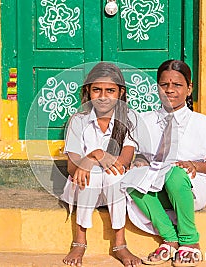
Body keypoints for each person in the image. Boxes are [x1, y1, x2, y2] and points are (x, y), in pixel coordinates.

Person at [121, 60, 206, 266]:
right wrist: (139, 162)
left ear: (189, 88)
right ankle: (170, 237)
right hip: (157, 191)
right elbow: (137, 156)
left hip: (188, 189)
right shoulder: (144, 120)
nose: (170, 90)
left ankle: (190, 240)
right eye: (164, 85)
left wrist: (195, 166)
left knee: (174, 173)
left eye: (177, 85)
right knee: (130, 177)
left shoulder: (201, 123)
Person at [60, 62, 141, 267]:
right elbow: (72, 167)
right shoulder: (79, 120)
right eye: (97, 90)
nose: (103, 96)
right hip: (83, 188)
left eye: (110, 90)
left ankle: (120, 244)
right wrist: (94, 156)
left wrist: (97, 157)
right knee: (92, 175)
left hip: (114, 187)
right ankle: (79, 241)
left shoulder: (128, 118)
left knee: (113, 174)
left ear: (121, 93)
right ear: (88, 90)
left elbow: (124, 160)